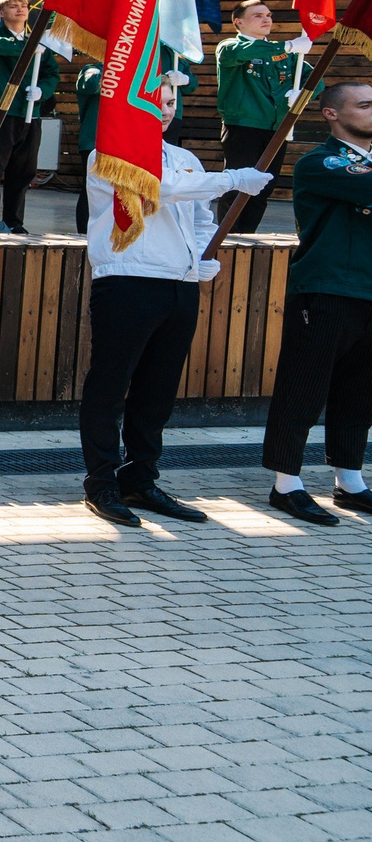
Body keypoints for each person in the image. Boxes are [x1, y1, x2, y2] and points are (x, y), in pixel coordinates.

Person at [77, 84, 267, 527]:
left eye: (169, 103)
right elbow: (161, 189)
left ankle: (140, 478)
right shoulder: (109, 154)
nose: (164, 111)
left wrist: (203, 256)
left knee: (157, 391)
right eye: (154, 102)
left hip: (179, 285)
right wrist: (233, 178)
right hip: (128, 279)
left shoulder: (185, 158)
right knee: (109, 386)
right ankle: (101, 482)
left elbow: (202, 215)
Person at [258, 80, 372, 525]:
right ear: (331, 114)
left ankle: (350, 480)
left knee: (360, 391)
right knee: (304, 386)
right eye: (364, 105)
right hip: (326, 288)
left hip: (367, 289)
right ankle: (286, 484)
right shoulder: (320, 161)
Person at [214, 0, 314, 210]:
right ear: (238, 22)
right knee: (238, 185)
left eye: (268, 15)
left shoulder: (284, 53)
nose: (266, 19)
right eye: (258, 16)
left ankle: (248, 238)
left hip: (277, 127)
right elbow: (242, 53)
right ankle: (229, 237)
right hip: (243, 126)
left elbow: (314, 78)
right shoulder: (230, 46)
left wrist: (302, 95)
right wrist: (288, 45)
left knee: (263, 187)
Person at [0, 0, 58, 231]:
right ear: (1, 12)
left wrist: (42, 90)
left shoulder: (38, 44)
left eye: (24, 6)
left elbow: (52, 73)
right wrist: (29, 46)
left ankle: (14, 221)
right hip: (0, 112)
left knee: (23, 171)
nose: (20, 9)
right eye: (13, 6)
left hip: (29, 112)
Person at [72, 57, 102, 233]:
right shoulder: (91, 69)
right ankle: (83, 234)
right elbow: (90, 85)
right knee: (90, 189)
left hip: (119, 140)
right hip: (93, 141)